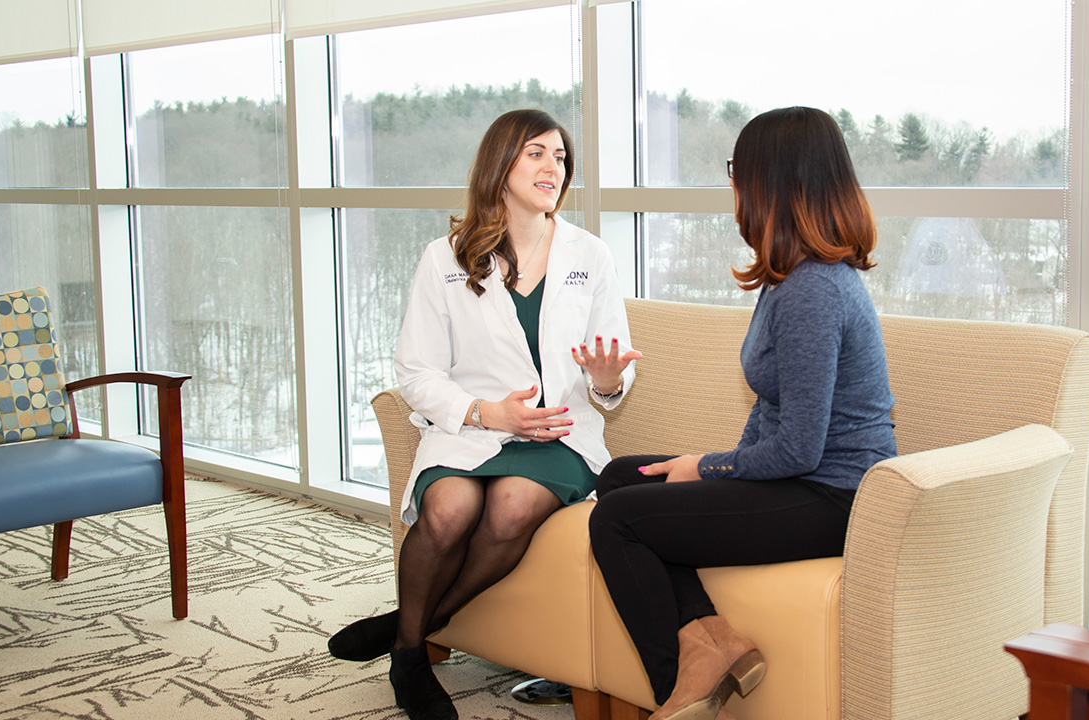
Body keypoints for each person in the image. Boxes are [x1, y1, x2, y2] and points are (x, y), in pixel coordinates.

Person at [328, 108, 641, 720]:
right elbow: (415, 372)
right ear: (500, 164)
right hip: (472, 429)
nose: (553, 167)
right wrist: (485, 413)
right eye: (537, 154)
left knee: (512, 507)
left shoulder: (589, 254)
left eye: (560, 157)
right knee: (447, 512)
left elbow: (613, 369)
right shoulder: (443, 258)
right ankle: (412, 652)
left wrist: (607, 382)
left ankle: (407, 637)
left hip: (558, 434)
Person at [588, 106, 897, 720]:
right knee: (621, 476)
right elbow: (771, 408)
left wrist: (707, 469)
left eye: (738, 169)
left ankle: (677, 692)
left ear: (771, 181)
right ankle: (714, 642)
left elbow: (801, 448)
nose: (733, 184)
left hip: (833, 496)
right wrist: (713, 477)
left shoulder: (813, 289)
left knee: (618, 519)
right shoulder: (791, 275)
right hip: (803, 480)